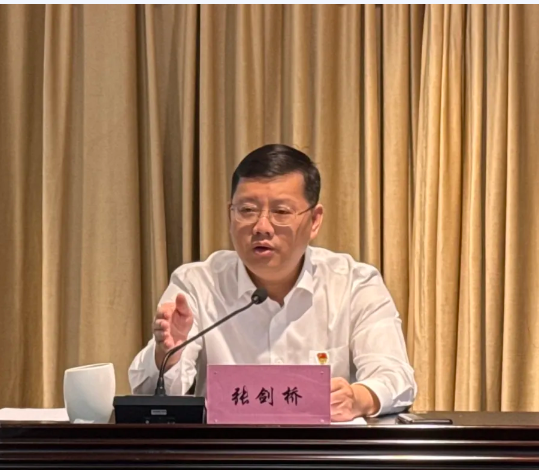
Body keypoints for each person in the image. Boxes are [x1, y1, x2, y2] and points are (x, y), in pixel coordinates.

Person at [129, 143, 416, 420]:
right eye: (247, 210)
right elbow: (148, 397)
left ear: (314, 220)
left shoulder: (355, 284)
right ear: (230, 215)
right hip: (227, 451)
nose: (262, 227)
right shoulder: (196, 284)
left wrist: (359, 398)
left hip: (322, 451)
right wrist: (168, 354)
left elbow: (395, 376)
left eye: (281, 212)